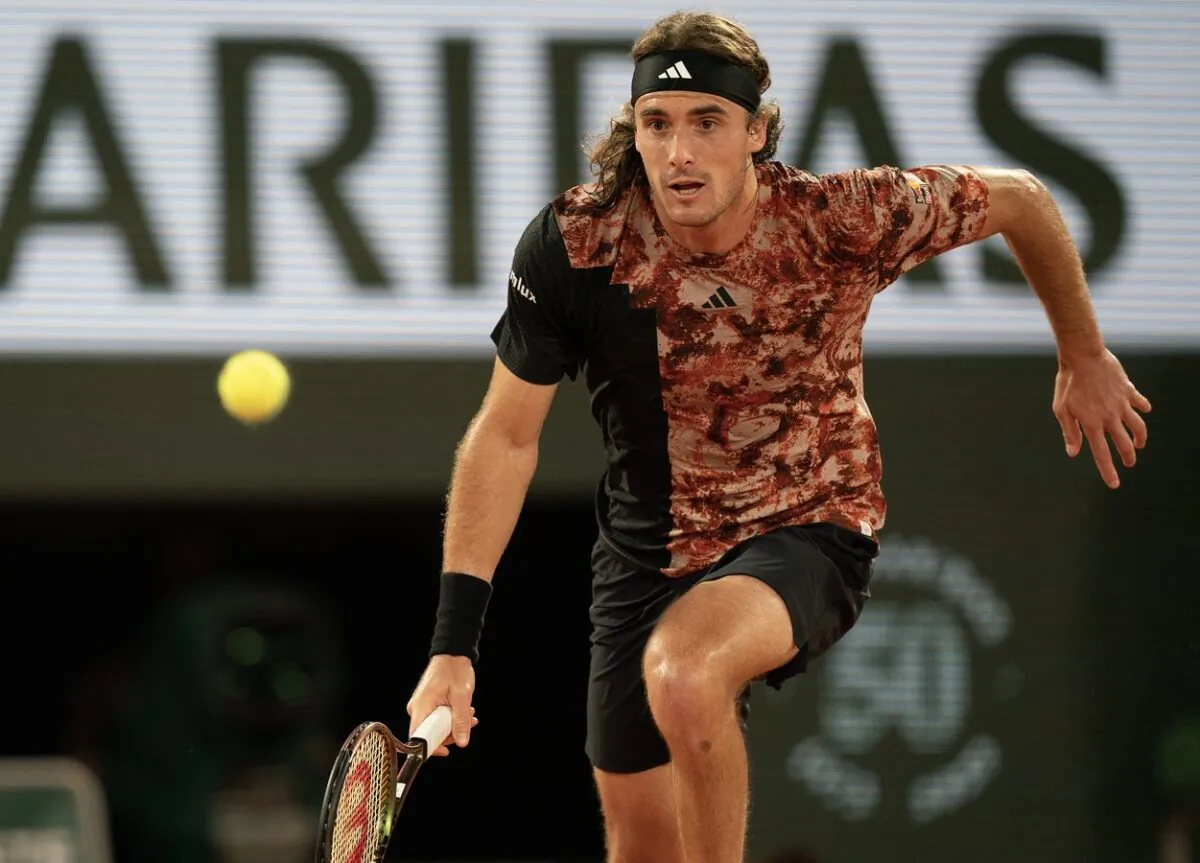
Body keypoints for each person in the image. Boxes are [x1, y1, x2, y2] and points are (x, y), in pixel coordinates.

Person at [405, 10, 1151, 863]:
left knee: (685, 673)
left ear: (756, 133)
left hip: (810, 522)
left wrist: (1082, 352)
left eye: (707, 123)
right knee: (642, 842)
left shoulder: (840, 221)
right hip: (646, 554)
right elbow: (504, 439)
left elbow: (1022, 198)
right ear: (635, 131)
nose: (679, 153)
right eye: (658, 124)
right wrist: (453, 646)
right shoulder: (575, 244)